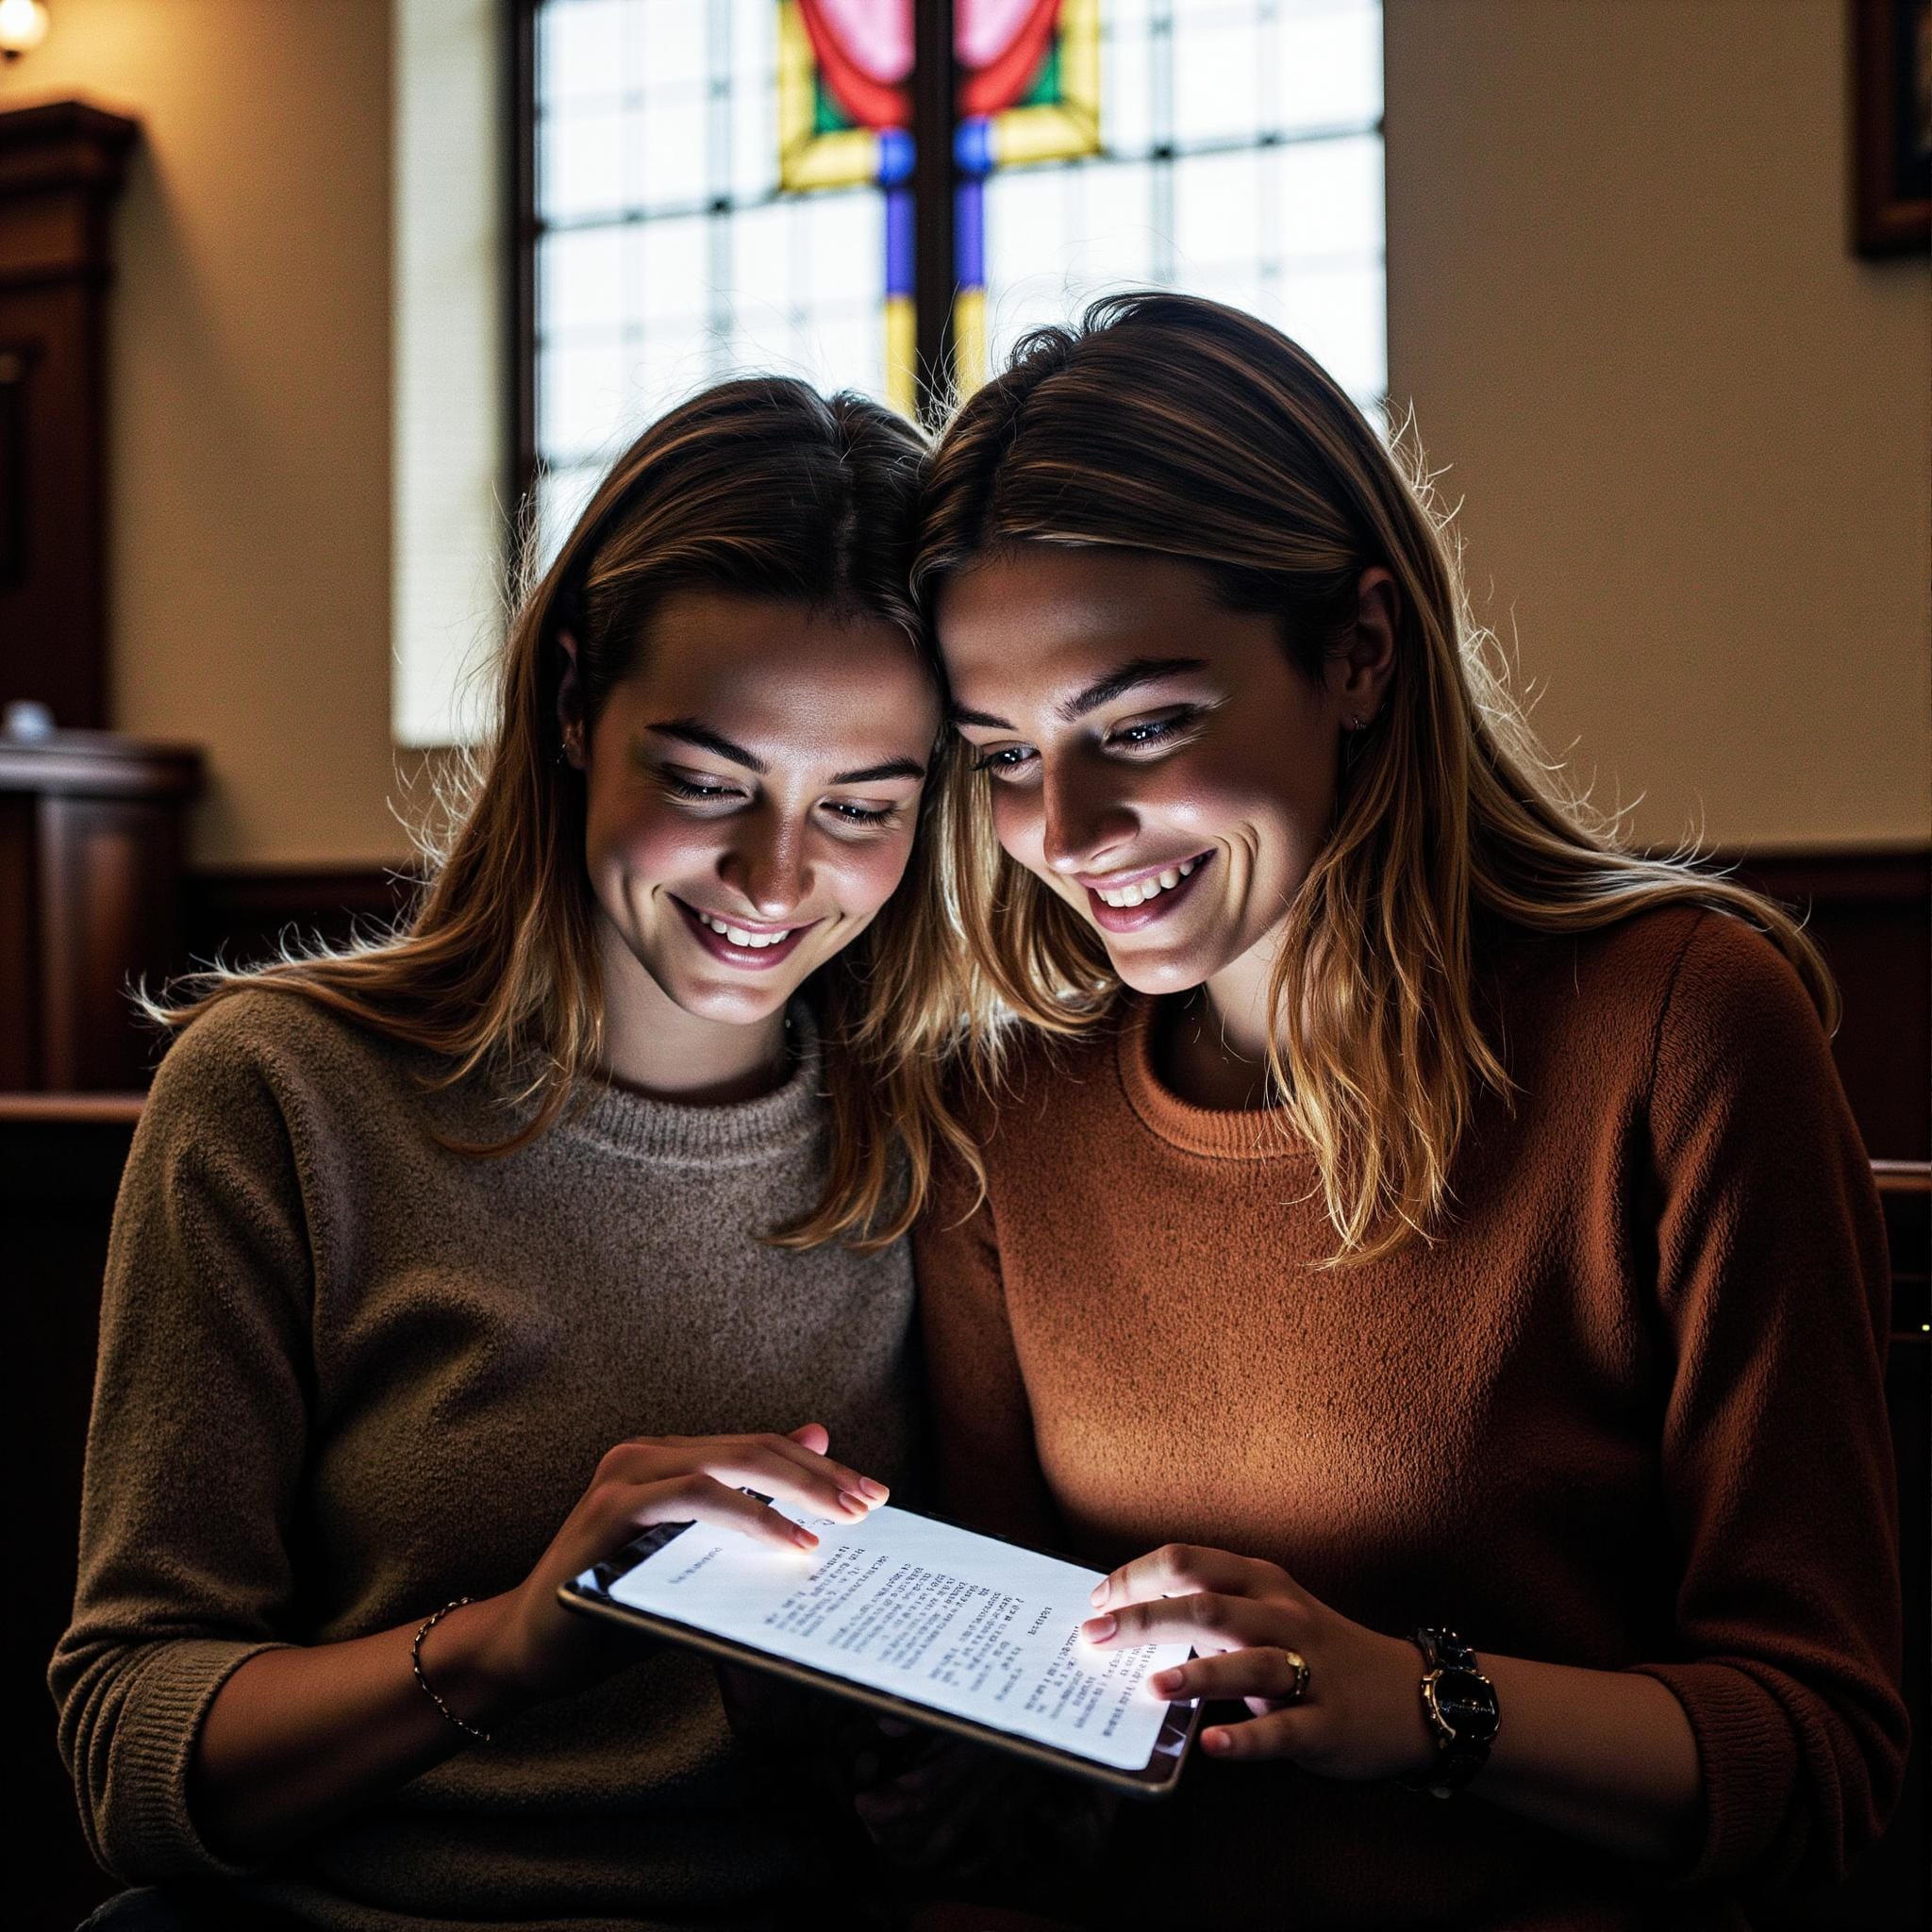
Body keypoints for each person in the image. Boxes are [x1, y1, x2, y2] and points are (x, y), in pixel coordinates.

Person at [908, 293, 1907, 1929]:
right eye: (1003, 756)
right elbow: (1025, 1770)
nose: (1067, 831)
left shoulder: (1681, 1029)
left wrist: (1415, 1703)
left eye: (1142, 726)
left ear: (1362, 651)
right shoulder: (1000, 1110)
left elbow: (1820, 1752)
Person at [52, 375, 972, 1932]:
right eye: (706, 782)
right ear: (568, 705)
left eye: (863, 808)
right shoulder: (285, 1095)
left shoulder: (943, 1125)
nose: (776, 878)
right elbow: (128, 1752)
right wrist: (515, 1644)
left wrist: (926, 1764)